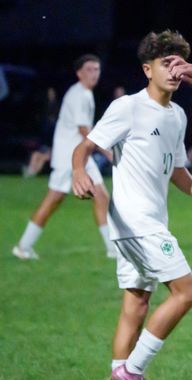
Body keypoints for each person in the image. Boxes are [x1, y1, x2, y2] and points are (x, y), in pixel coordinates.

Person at [72, 30, 192, 380]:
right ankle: (132, 372)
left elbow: (177, 168)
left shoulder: (177, 114)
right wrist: (79, 171)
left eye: (179, 63)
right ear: (147, 69)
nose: (175, 71)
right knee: (187, 292)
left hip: (147, 221)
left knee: (136, 304)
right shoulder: (128, 107)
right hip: (136, 222)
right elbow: (86, 146)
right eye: (166, 64)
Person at [12, 55, 116, 260]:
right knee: (53, 200)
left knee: (101, 196)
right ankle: (23, 247)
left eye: (97, 69)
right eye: (89, 69)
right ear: (79, 73)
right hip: (70, 158)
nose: (94, 73)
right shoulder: (80, 95)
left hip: (79, 156)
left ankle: (113, 249)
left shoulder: (83, 93)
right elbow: (85, 130)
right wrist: (108, 152)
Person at [22, 86, 59, 178]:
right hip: (47, 147)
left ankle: (32, 173)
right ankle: (30, 170)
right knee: (35, 155)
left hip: (56, 150)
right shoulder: (45, 112)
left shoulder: (58, 123)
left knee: (42, 158)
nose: (50, 95)